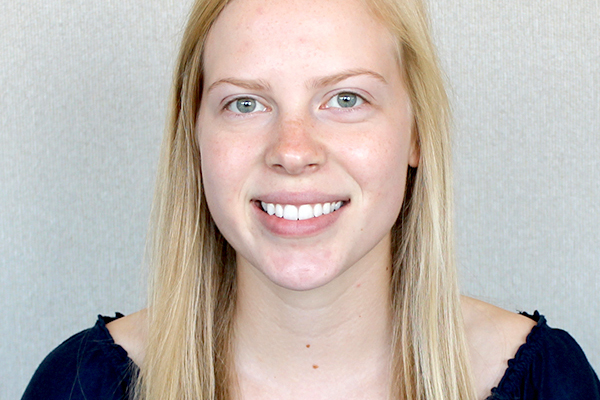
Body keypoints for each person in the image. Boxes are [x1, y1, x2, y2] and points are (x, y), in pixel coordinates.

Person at [21, 0, 600, 399]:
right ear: (192, 137)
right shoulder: (81, 386)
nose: (292, 151)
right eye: (244, 104)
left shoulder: (547, 383)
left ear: (417, 132)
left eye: (346, 99)